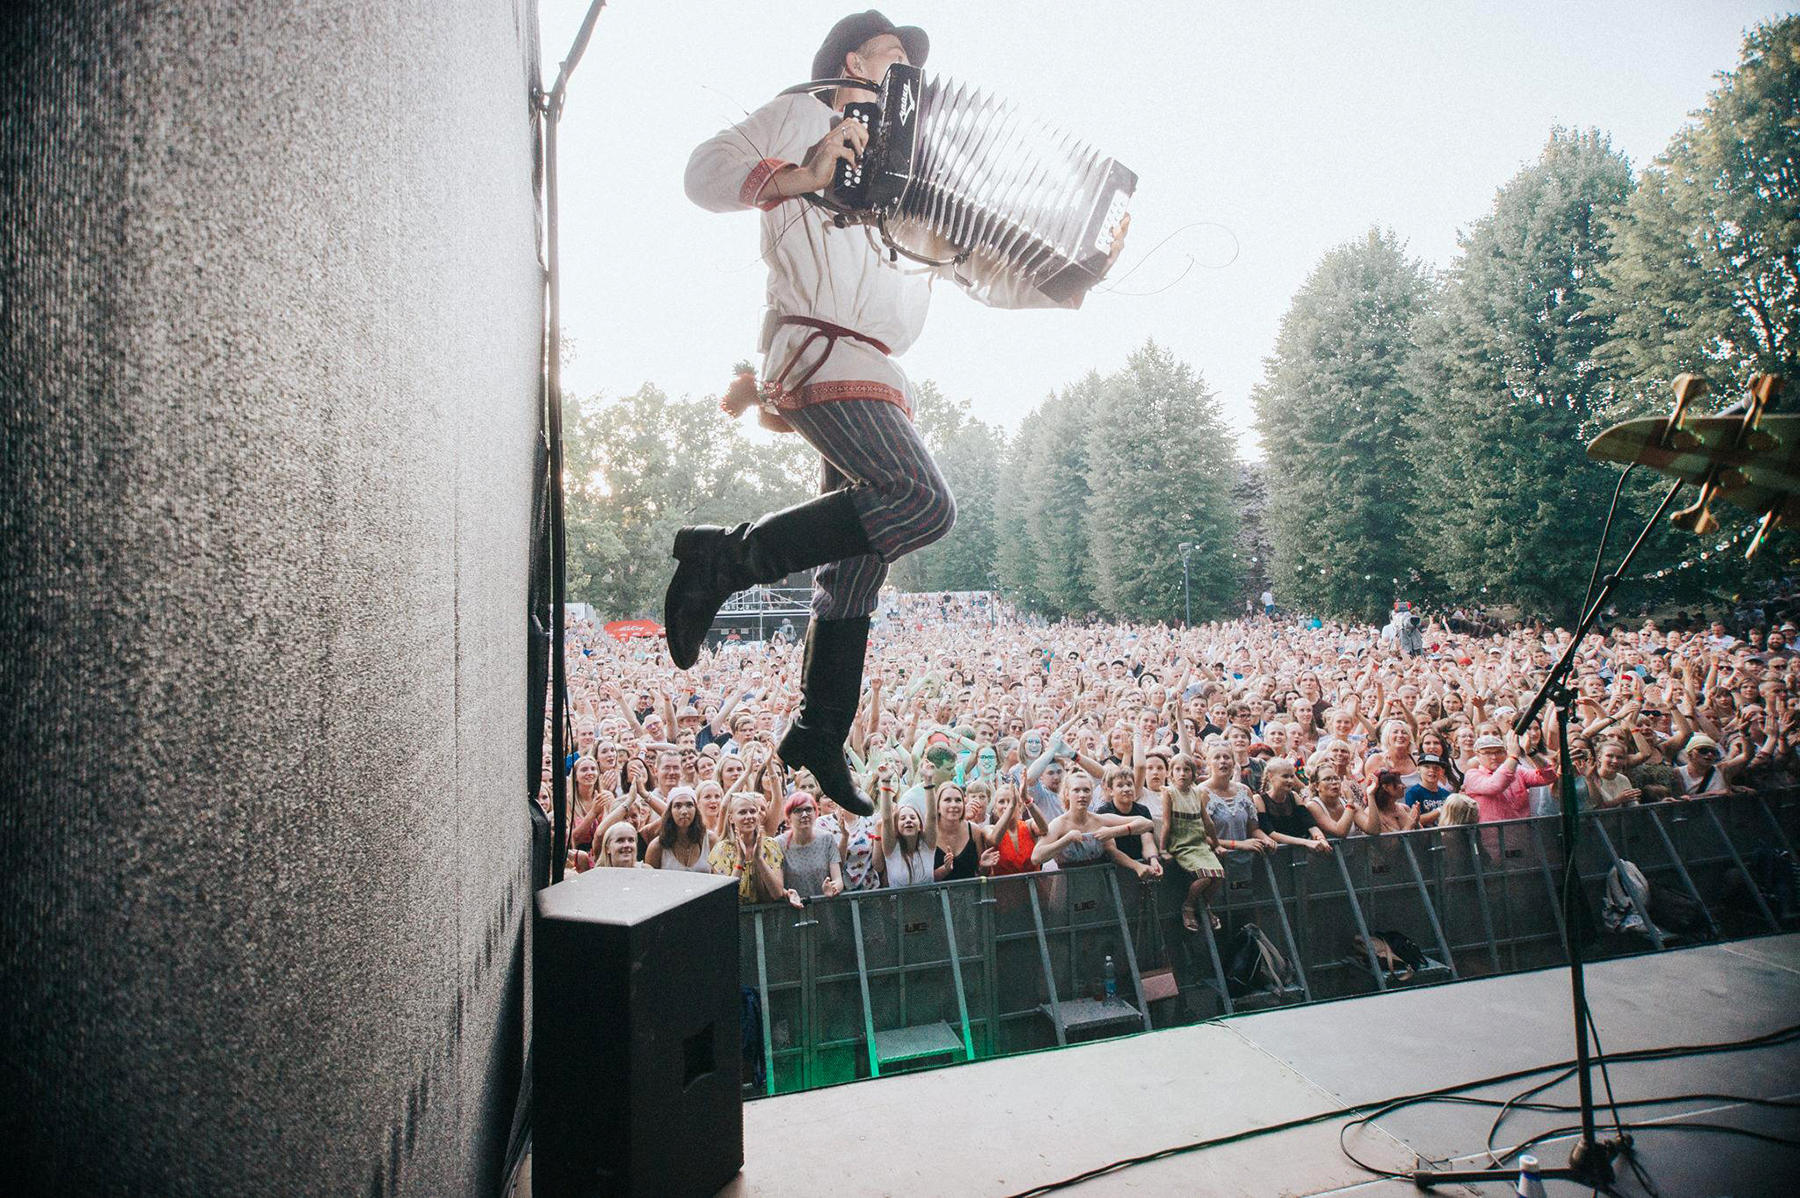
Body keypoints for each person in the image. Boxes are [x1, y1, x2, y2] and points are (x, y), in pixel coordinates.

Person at [668, 9, 1127, 820]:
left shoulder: (914, 181)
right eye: (894, 57)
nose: (909, 72)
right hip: (821, 348)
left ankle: (818, 728)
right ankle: (726, 560)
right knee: (922, 502)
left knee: (854, 570)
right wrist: (803, 172)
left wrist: (1075, 274)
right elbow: (703, 174)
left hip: (878, 371)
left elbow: (984, 271)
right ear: (852, 58)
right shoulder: (805, 113)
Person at [1159, 752, 1225, 932]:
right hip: (1182, 844)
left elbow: (1207, 821)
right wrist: (1163, 848)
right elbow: (1166, 823)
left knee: (1218, 876)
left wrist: (1217, 844)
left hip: (1199, 843)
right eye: (1178, 770)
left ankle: (1205, 905)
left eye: (1186, 770)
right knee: (1204, 877)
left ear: (1193, 774)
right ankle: (1188, 906)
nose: (1182, 774)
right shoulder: (1169, 793)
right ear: (1171, 773)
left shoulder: (1197, 793)